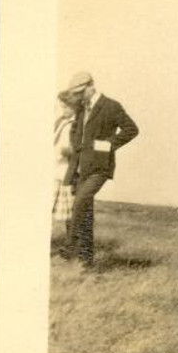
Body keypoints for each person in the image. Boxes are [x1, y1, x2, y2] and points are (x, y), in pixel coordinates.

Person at [60, 72, 139, 268]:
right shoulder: (80, 108)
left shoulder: (111, 106)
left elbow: (131, 129)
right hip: (79, 168)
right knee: (85, 214)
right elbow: (74, 130)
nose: (77, 97)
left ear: (90, 86)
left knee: (80, 202)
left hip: (99, 168)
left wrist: (108, 144)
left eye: (80, 93)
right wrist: (76, 145)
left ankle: (70, 245)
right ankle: (86, 262)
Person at [52, 92, 76, 239]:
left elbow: (77, 149)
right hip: (54, 169)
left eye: (67, 107)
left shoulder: (77, 124)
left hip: (66, 171)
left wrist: (66, 151)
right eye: (62, 107)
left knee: (69, 212)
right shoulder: (60, 121)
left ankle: (71, 244)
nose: (64, 111)